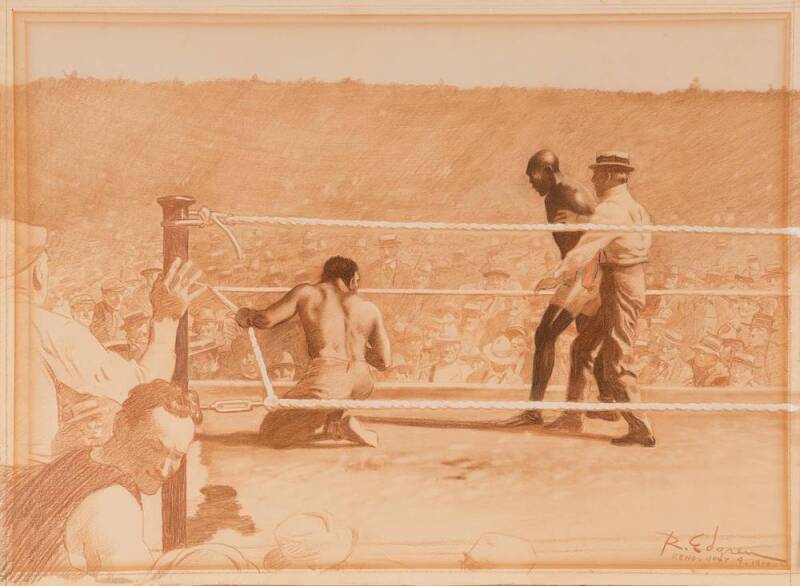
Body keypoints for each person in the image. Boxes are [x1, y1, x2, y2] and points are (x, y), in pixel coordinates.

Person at [2, 218, 204, 464]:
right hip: (26, 487)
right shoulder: (52, 330)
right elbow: (142, 392)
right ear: (39, 273)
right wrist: (166, 318)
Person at [3, 380, 202, 581]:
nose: (165, 469)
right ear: (121, 426)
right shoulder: (114, 503)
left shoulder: (81, 458)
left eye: (177, 456)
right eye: (155, 448)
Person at [546, 152, 656, 446]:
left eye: (596, 174)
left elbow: (586, 248)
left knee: (617, 360)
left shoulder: (612, 209)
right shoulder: (636, 208)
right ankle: (572, 416)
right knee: (582, 346)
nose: (593, 180)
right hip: (621, 281)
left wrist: (557, 274)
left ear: (608, 175)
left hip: (620, 284)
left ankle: (640, 427)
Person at [236, 256, 391, 448]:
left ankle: (340, 426)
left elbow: (266, 320)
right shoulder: (369, 308)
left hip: (328, 379)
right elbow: (384, 362)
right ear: (351, 280)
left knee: (270, 432)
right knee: (332, 396)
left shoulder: (307, 292)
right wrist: (356, 345)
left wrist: (246, 314)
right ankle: (333, 425)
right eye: (357, 281)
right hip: (362, 381)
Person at [502, 149, 603, 427]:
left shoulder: (570, 193)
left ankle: (536, 411)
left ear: (547, 171)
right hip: (580, 273)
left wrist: (571, 274)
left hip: (586, 274)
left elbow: (598, 233)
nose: (531, 183)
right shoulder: (556, 195)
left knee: (545, 335)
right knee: (583, 343)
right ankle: (596, 406)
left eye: (533, 176)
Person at [90, 278, 127, 343]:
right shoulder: (98, 311)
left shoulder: (121, 311)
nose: (119, 299)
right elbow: (102, 339)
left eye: (121, 294)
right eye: (113, 294)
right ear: (104, 296)